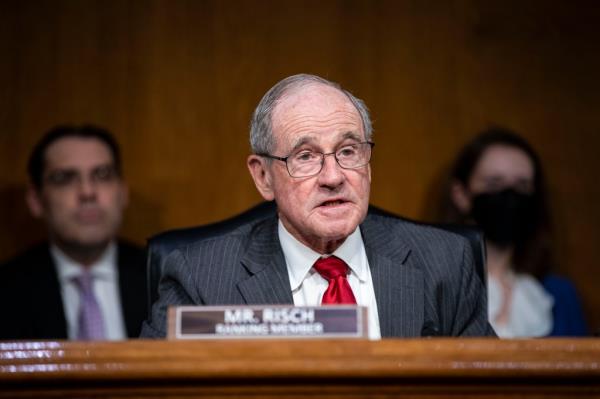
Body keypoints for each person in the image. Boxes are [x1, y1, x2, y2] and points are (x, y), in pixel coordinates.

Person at [141, 74, 495, 339]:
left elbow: (485, 391)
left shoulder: (445, 262)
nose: (333, 177)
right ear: (263, 176)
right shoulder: (200, 279)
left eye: (347, 151)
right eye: (305, 156)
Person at [0, 125, 147, 340]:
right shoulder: (6, 290)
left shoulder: (164, 281)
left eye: (102, 175)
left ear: (123, 192)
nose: (87, 192)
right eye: (64, 178)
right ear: (36, 199)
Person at [444, 128, 588, 337]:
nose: (509, 197)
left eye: (522, 185)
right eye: (494, 183)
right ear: (461, 195)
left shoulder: (558, 295)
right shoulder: (438, 289)